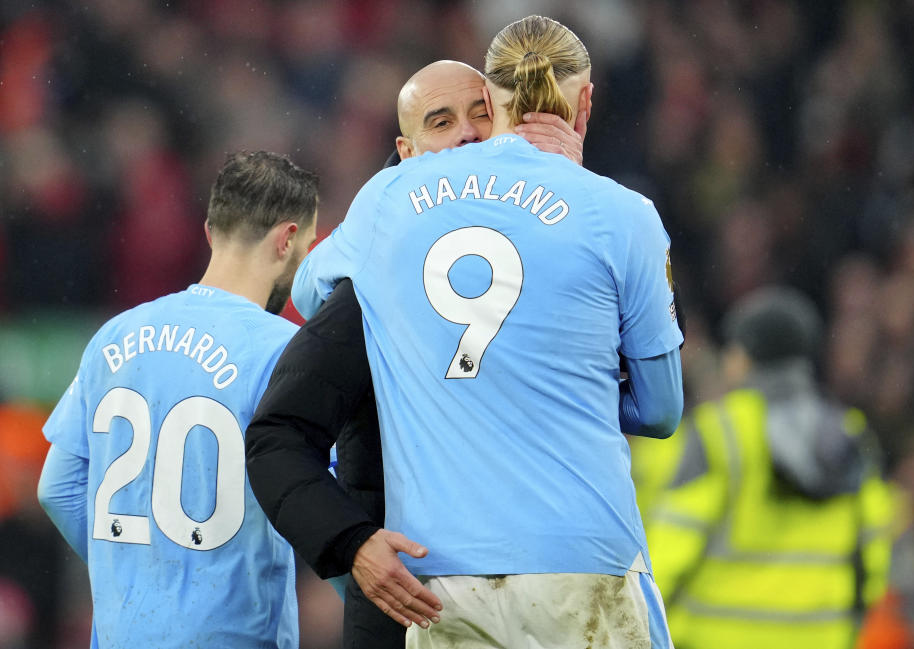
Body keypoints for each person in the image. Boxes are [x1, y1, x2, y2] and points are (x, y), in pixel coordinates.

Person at [276, 14, 685, 648]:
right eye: (441, 122)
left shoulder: (388, 199)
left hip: (445, 577)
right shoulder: (620, 211)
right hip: (584, 557)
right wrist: (566, 376)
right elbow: (660, 411)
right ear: (586, 102)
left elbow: (311, 290)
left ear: (494, 102)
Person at [246, 58, 590, 649]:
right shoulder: (376, 283)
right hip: (416, 607)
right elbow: (277, 436)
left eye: (483, 115)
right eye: (442, 121)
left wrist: (578, 193)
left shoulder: (575, 245)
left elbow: (652, 352)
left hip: (554, 594)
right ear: (407, 153)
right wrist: (352, 542)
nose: (467, 133)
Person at [36, 151, 319, 649]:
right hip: (233, 635)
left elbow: (56, 487)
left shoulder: (114, 336)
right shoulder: (285, 351)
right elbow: (328, 503)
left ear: (211, 231)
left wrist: (134, 566)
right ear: (288, 240)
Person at [634, 285, 895, 649]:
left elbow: (669, 549)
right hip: (820, 639)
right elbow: (873, 555)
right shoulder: (848, 433)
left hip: (716, 639)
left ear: (743, 356)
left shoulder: (719, 434)